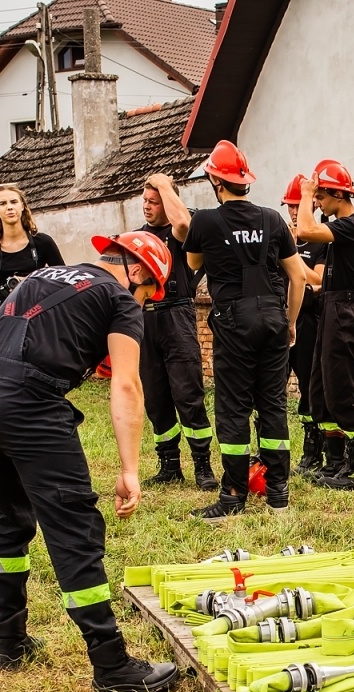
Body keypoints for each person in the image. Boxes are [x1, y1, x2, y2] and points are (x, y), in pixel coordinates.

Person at [0, 230, 178, 692]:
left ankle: (9, 644)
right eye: (147, 293)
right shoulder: (119, 298)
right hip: (28, 402)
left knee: (10, 516)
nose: (143, 303)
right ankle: (112, 666)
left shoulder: (42, 276)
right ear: (137, 271)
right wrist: (130, 470)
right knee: (74, 528)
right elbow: (127, 386)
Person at [183, 141, 304, 522]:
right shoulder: (273, 219)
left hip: (234, 322)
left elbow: (193, 262)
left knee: (234, 407)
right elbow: (298, 276)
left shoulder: (205, 221)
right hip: (273, 319)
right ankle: (278, 492)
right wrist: (291, 321)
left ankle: (234, 494)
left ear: (216, 181)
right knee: (272, 404)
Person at [293, 160, 354, 490]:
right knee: (320, 388)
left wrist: (305, 195)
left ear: (338, 195)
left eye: (322, 197)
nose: (318, 204)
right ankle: (335, 462)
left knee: (341, 387)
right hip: (331, 306)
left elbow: (304, 231)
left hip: (345, 310)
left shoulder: (352, 225)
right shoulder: (340, 226)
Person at [136, 171, 217, 490]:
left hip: (177, 314)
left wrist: (166, 185)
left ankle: (202, 466)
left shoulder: (183, 228)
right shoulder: (137, 238)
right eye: (144, 200)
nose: (146, 206)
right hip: (146, 320)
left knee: (188, 394)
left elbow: (184, 224)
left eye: (153, 201)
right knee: (155, 398)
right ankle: (169, 464)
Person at [281, 174, 327, 475]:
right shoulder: (281, 237)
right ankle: (269, 451)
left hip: (310, 320)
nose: (295, 212)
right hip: (281, 319)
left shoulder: (321, 238)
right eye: (290, 206)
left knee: (311, 387)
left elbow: (319, 279)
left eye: (299, 205)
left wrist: (293, 256)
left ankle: (314, 452)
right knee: (272, 386)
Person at [0, 183, 64, 333]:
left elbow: (63, 282)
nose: (9, 207)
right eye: (3, 203)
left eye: (14, 202)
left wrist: (31, 282)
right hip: (7, 318)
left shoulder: (43, 242)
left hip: (41, 318)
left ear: (22, 206)